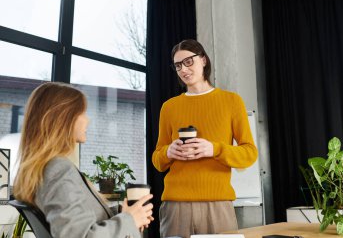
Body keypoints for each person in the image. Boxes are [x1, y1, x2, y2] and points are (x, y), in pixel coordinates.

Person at [13, 82, 153, 238]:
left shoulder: (46, 169)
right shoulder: (58, 170)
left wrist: (124, 213)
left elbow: (82, 220)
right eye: (83, 113)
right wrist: (130, 219)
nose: (88, 120)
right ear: (64, 118)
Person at [152, 39, 258, 238]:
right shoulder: (169, 107)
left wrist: (215, 149)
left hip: (218, 206)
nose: (183, 69)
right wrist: (168, 151)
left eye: (188, 62)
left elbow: (249, 153)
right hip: (176, 206)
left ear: (203, 60)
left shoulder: (231, 101)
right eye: (177, 65)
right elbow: (158, 160)